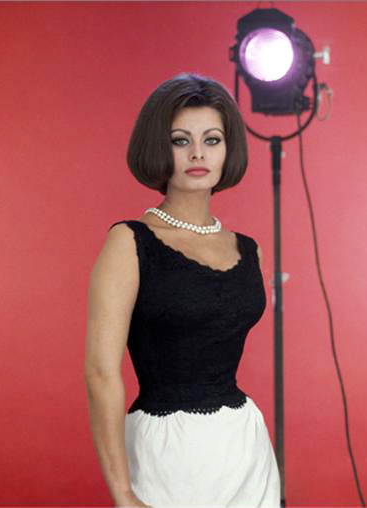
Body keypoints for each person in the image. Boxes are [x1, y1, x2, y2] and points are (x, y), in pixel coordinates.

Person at [84, 73, 281, 508]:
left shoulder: (249, 250)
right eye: (180, 140)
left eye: (212, 140)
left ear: (228, 149)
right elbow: (100, 373)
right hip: (165, 449)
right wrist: (123, 493)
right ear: (158, 147)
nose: (197, 153)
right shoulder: (129, 243)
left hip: (244, 444)